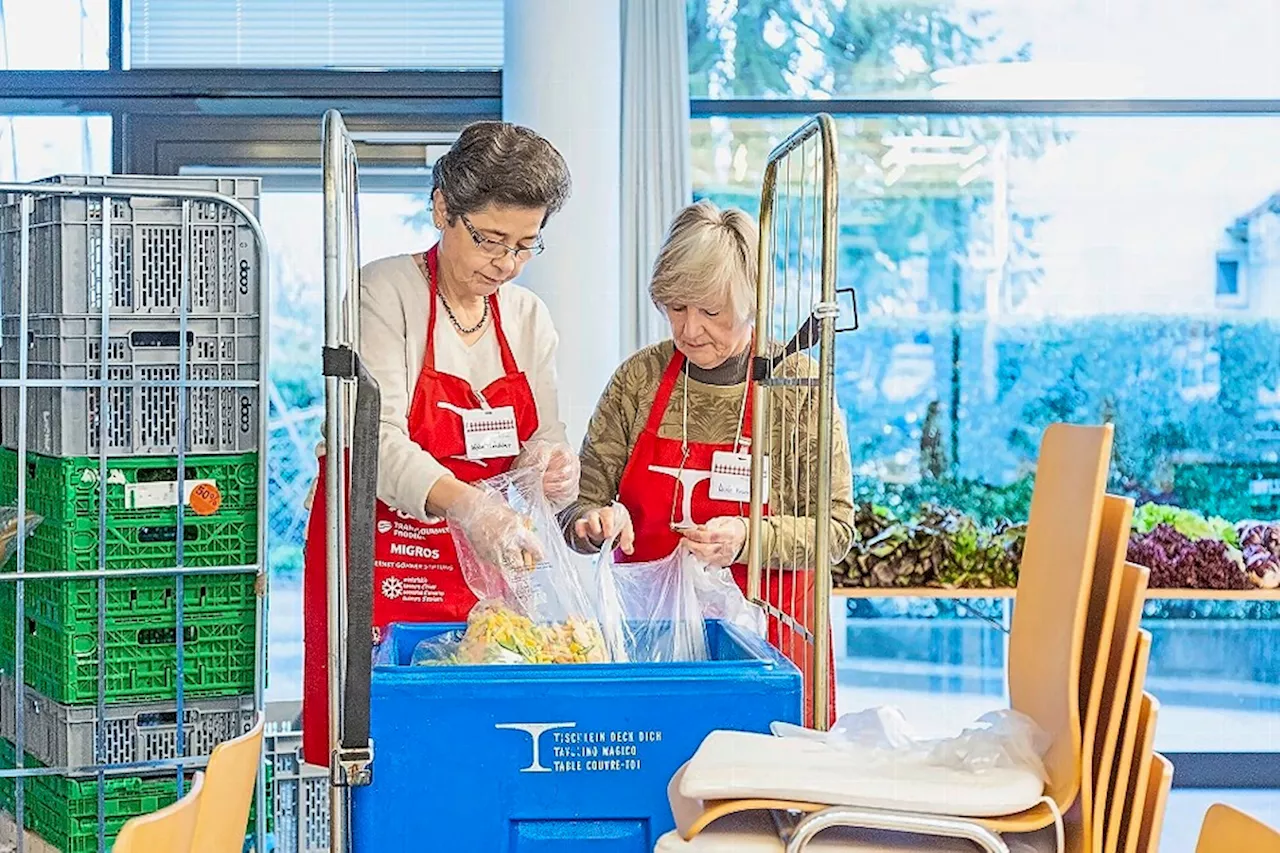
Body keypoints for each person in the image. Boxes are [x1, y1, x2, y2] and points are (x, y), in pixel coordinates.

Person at [303, 121, 579, 765]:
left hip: (485, 569)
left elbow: (546, 431)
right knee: (381, 748)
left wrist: (550, 466)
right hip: (381, 556)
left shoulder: (529, 317)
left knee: (480, 745)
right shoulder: (384, 293)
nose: (506, 264)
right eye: (490, 240)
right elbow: (373, 441)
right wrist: (471, 506)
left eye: (525, 246)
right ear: (441, 208)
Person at [560, 200, 855, 727]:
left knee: (766, 800)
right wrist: (595, 521)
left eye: (711, 312)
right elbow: (578, 507)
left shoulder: (797, 388)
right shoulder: (640, 381)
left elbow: (834, 529)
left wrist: (747, 537)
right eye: (676, 308)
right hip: (654, 646)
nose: (690, 329)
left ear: (754, 302)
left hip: (772, 650)